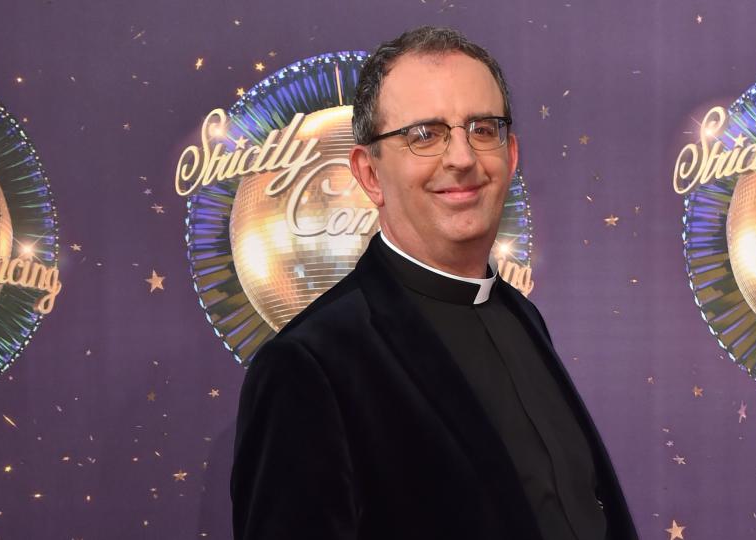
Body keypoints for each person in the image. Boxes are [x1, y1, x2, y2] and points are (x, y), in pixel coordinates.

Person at [231, 26, 637, 540]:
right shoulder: (309, 365)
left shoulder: (520, 314)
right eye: (424, 135)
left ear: (511, 156)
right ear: (369, 174)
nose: (463, 159)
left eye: (482, 129)